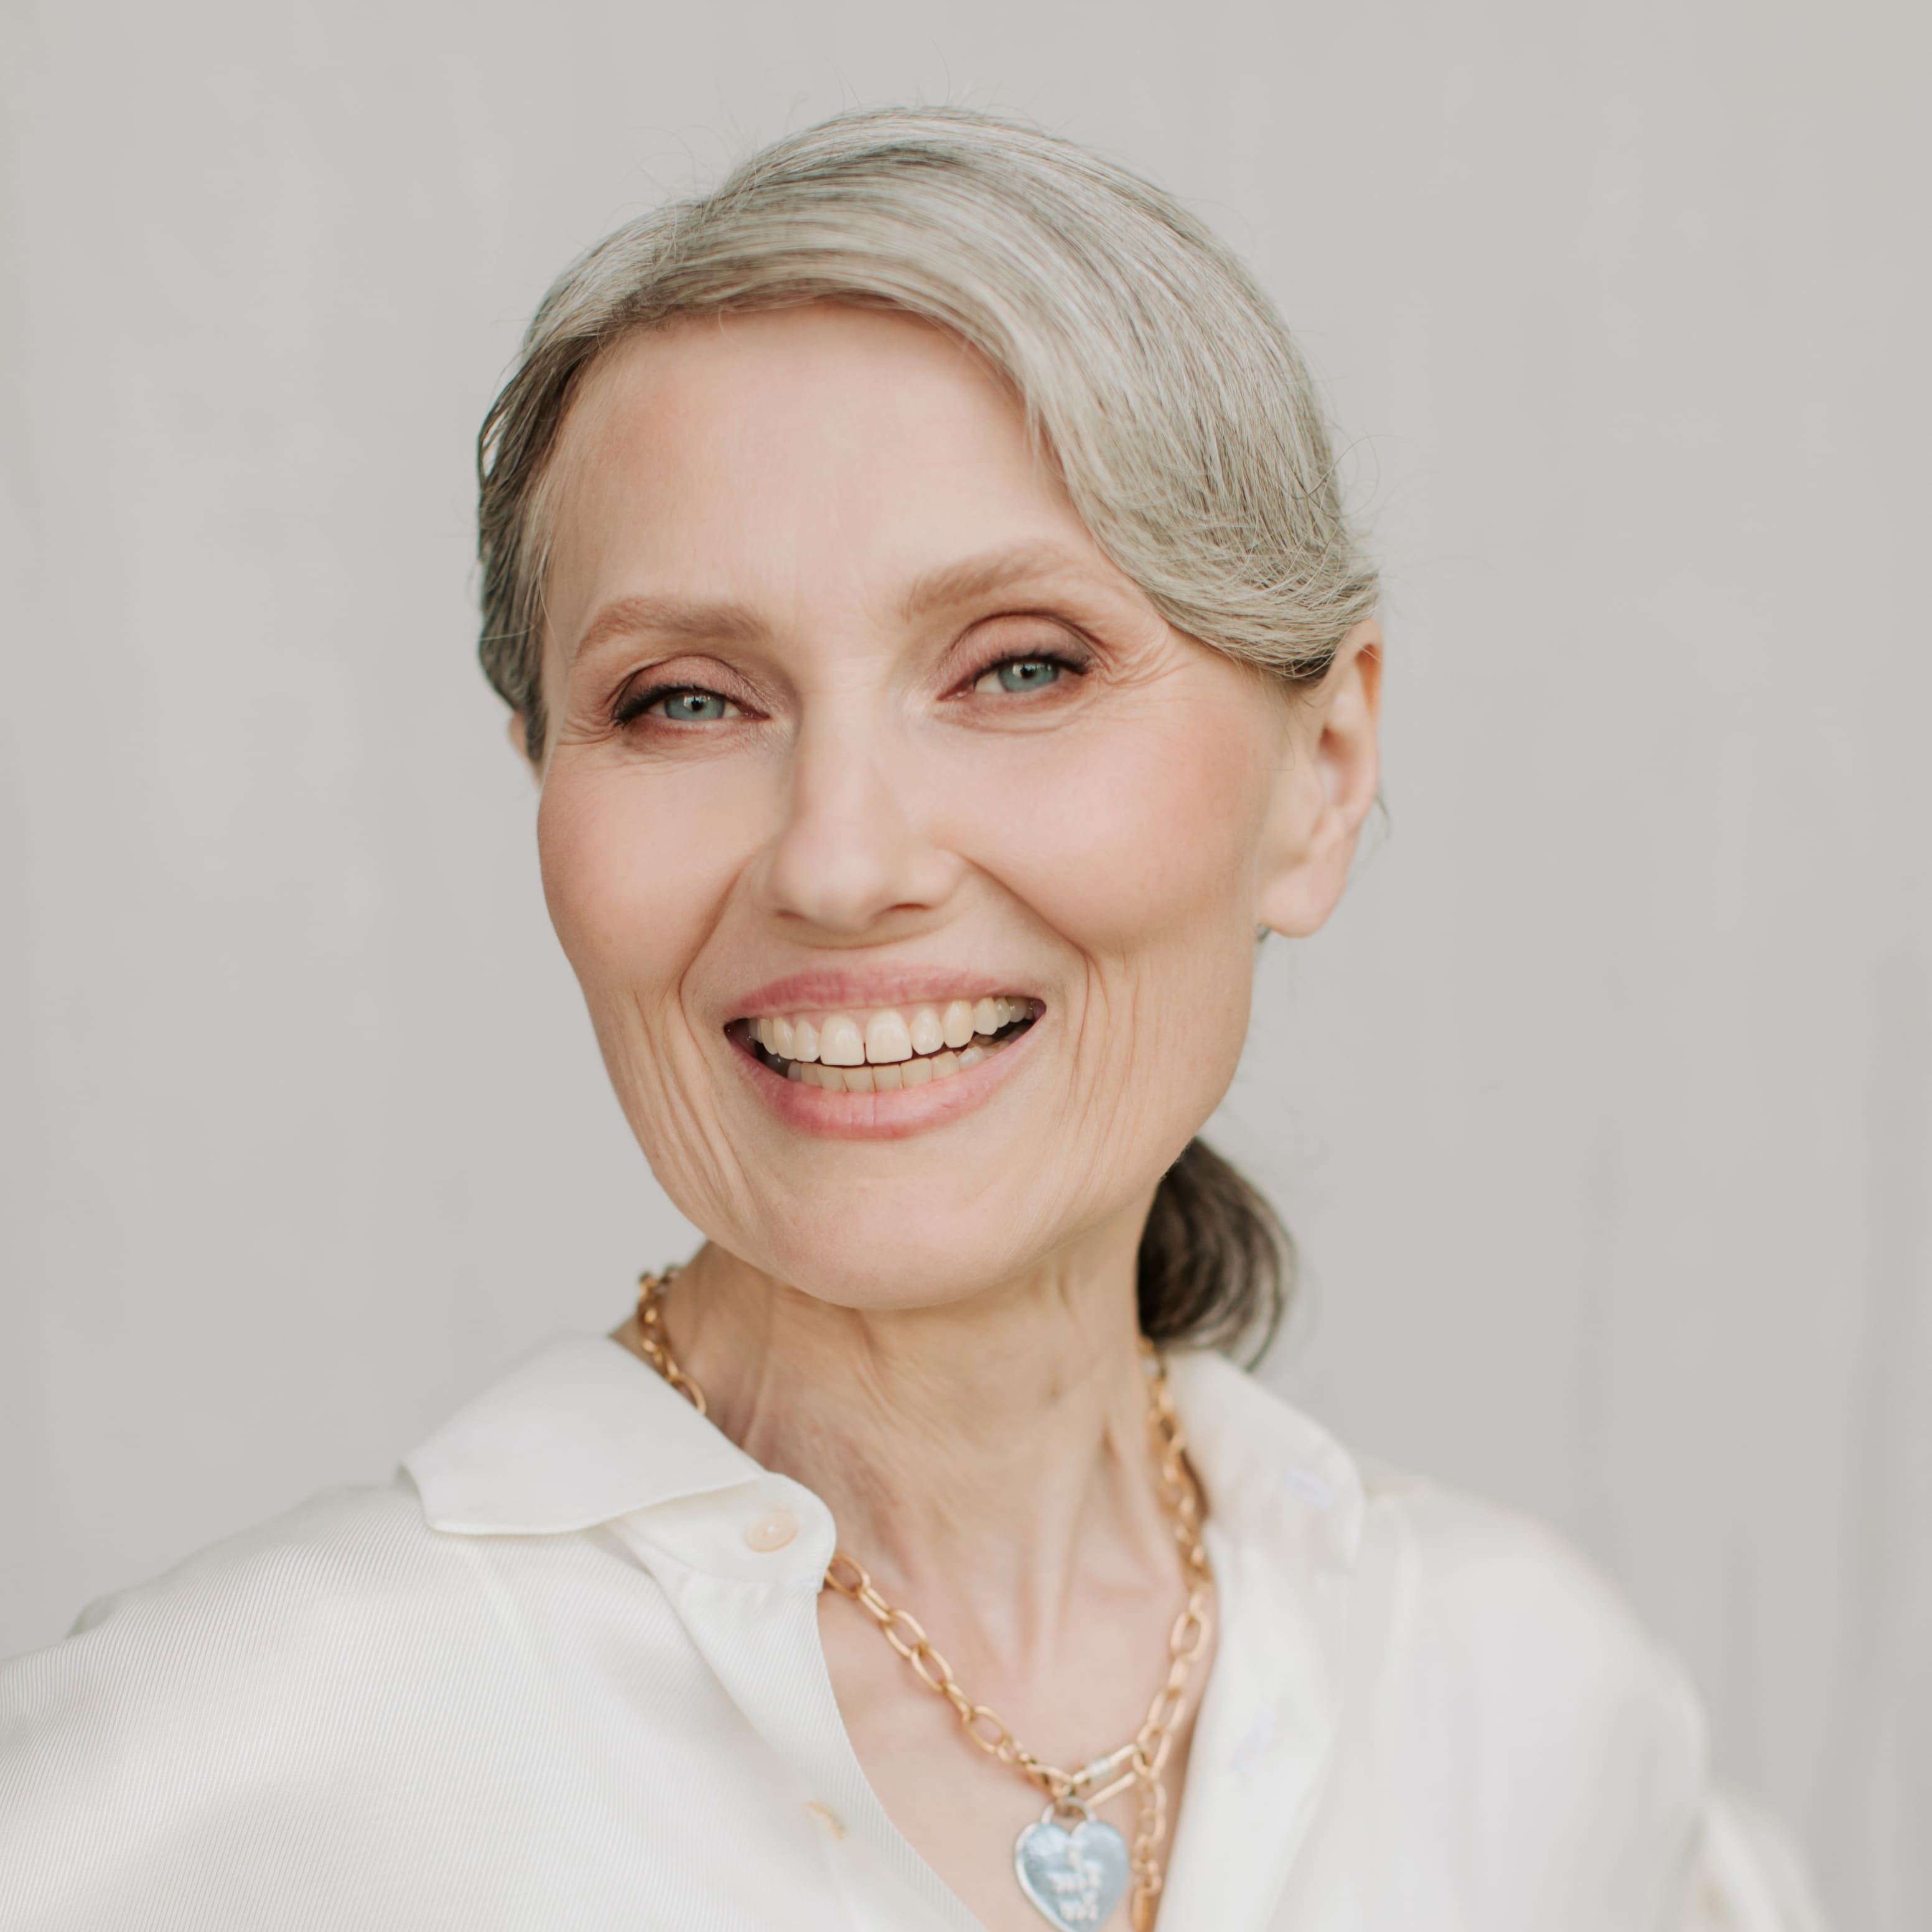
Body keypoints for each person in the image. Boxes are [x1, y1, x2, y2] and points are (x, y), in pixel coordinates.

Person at [0, 107, 1824, 1932]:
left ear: (1320, 770)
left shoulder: (1528, 1709)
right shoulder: (272, 1749)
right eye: (684, 702)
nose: (841, 857)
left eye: (1019, 664)